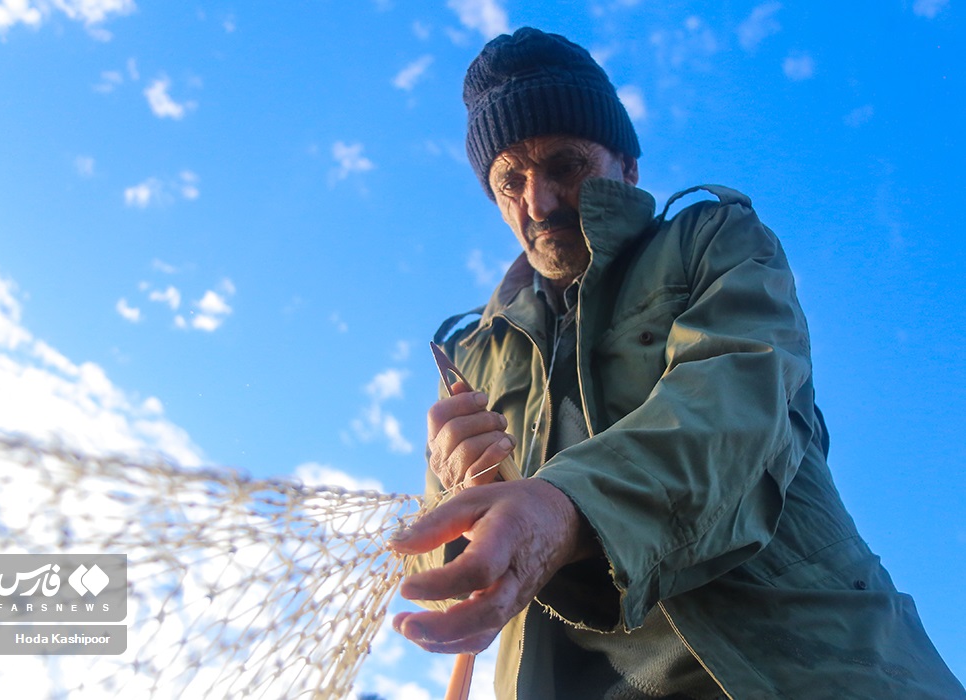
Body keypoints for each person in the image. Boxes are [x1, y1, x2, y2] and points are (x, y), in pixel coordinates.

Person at [387, 26, 965, 700]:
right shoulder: (471, 355)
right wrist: (457, 511)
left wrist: (564, 504)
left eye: (565, 165)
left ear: (627, 167)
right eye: (510, 180)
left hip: (808, 673)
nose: (538, 202)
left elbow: (732, 405)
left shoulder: (714, 243)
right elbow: (436, 567)